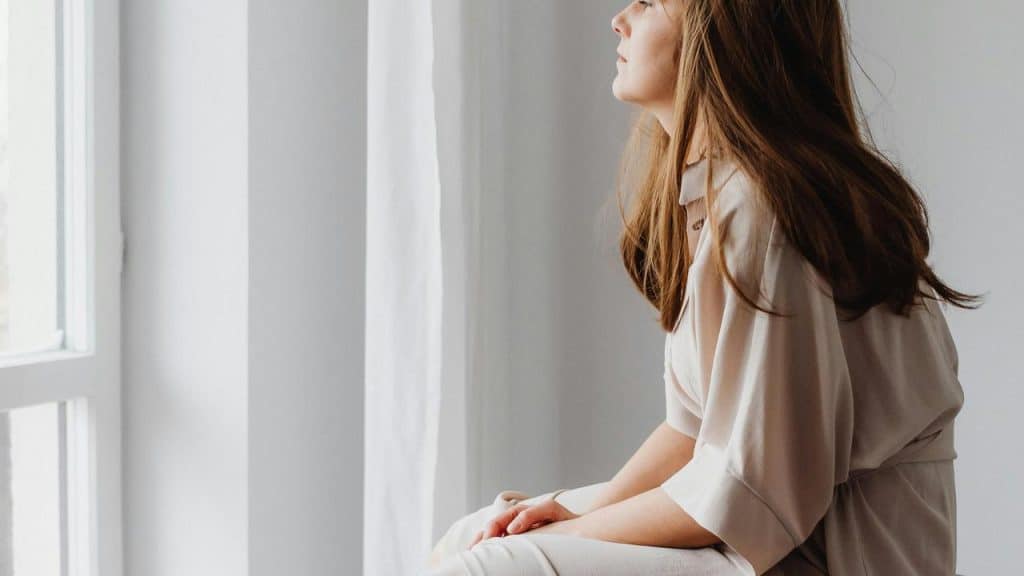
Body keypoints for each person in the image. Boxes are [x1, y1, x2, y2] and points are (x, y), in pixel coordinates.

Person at [423, 1, 981, 574]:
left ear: (725, 33)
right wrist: (574, 516)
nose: (620, 18)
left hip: (827, 554)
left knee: (488, 567)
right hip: (776, 532)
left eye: (648, 2)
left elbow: (752, 490)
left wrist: (581, 528)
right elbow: (694, 431)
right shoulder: (726, 194)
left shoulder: (763, 211)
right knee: (471, 537)